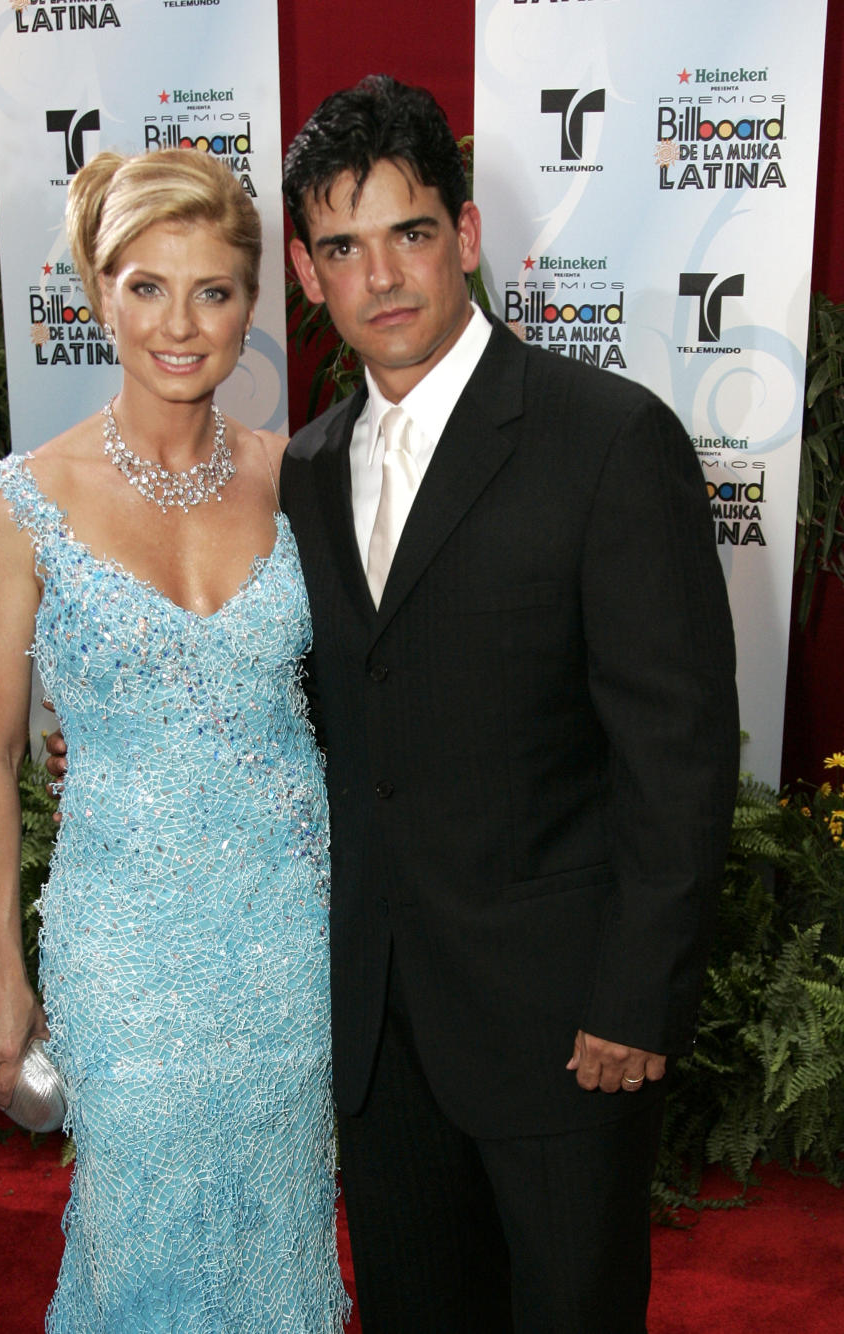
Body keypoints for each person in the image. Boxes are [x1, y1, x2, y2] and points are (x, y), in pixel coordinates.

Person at [279, 76, 739, 1331]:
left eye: (410, 232)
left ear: (467, 237)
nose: (381, 276)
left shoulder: (607, 438)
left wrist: (636, 997)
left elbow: (679, 749)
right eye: (343, 246)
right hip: (379, 1032)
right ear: (308, 274)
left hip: (561, 1030)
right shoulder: (309, 469)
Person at [0, 149, 347, 1333]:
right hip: (123, 948)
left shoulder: (301, 480)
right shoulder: (19, 505)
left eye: (215, 291)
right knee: (142, 1240)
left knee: (281, 1231)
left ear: (251, 306)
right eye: (146, 287)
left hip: (293, 929)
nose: (182, 324)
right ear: (97, 292)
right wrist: (0, 971)